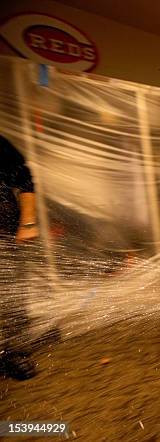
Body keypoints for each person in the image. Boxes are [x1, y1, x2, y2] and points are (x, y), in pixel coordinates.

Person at [0, 135, 39, 380]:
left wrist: (28, 222)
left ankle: (15, 352)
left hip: (2, 230)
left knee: (9, 293)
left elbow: (25, 180)